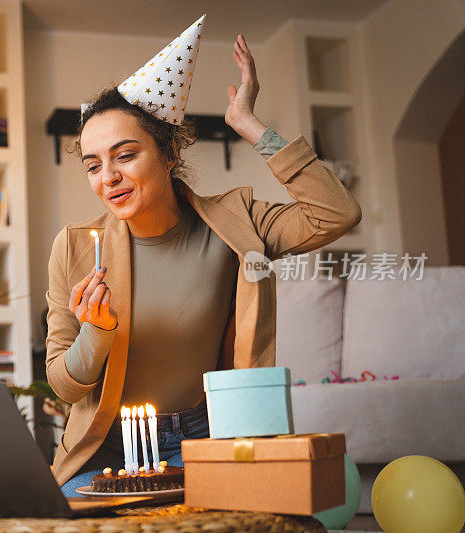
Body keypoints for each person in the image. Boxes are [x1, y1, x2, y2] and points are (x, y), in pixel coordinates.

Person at [45, 17, 362, 497]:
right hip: (107, 451)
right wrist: (97, 332)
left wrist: (250, 126)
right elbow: (64, 386)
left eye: (125, 155)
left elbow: (336, 214)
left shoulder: (235, 223)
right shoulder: (74, 247)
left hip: (206, 439)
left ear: (169, 154)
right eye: (94, 165)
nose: (107, 176)